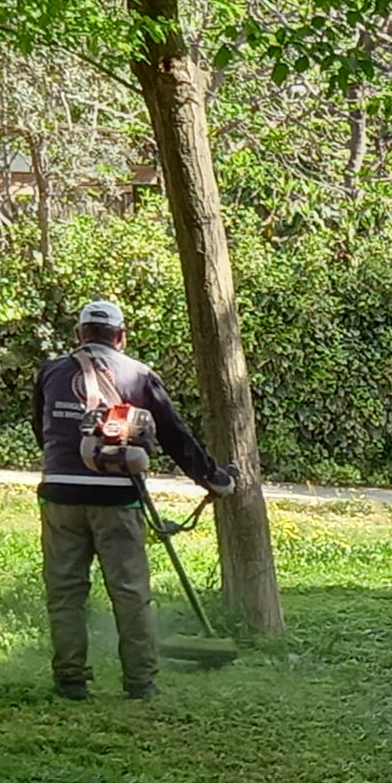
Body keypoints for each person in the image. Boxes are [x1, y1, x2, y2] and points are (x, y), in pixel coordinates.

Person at [32, 300, 236, 701]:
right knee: (129, 591)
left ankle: (70, 679)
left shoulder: (50, 371)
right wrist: (215, 479)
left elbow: (42, 430)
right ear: (121, 337)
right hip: (117, 497)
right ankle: (140, 681)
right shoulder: (139, 375)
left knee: (65, 590)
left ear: (79, 334)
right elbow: (176, 437)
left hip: (59, 494)